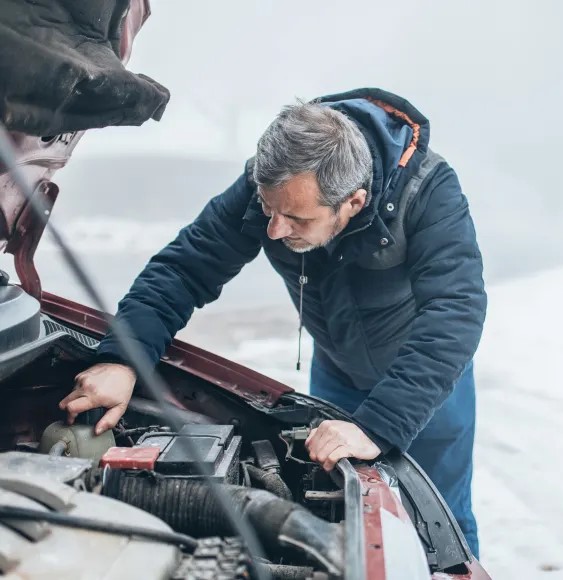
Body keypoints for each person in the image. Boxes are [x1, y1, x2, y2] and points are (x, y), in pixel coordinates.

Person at [58, 88, 487, 556]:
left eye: (296, 218)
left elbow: (455, 310)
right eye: (268, 209)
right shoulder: (273, 183)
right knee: (348, 513)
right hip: (337, 372)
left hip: (424, 384)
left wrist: (380, 424)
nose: (274, 230)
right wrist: (122, 358)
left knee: (443, 522)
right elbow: (185, 268)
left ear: (354, 202)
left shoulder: (427, 192)